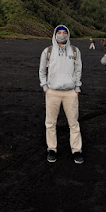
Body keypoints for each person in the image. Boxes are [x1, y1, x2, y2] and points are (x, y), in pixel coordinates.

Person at [39, 25, 84, 164]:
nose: (62, 35)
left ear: (68, 35)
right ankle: (52, 149)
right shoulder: (48, 51)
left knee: (74, 123)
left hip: (70, 93)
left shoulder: (75, 51)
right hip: (52, 92)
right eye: (59, 32)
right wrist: (45, 87)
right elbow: (42, 71)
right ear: (55, 34)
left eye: (65, 32)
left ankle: (76, 150)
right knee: (50, 123)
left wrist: (77, 88)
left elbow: (78, 70)